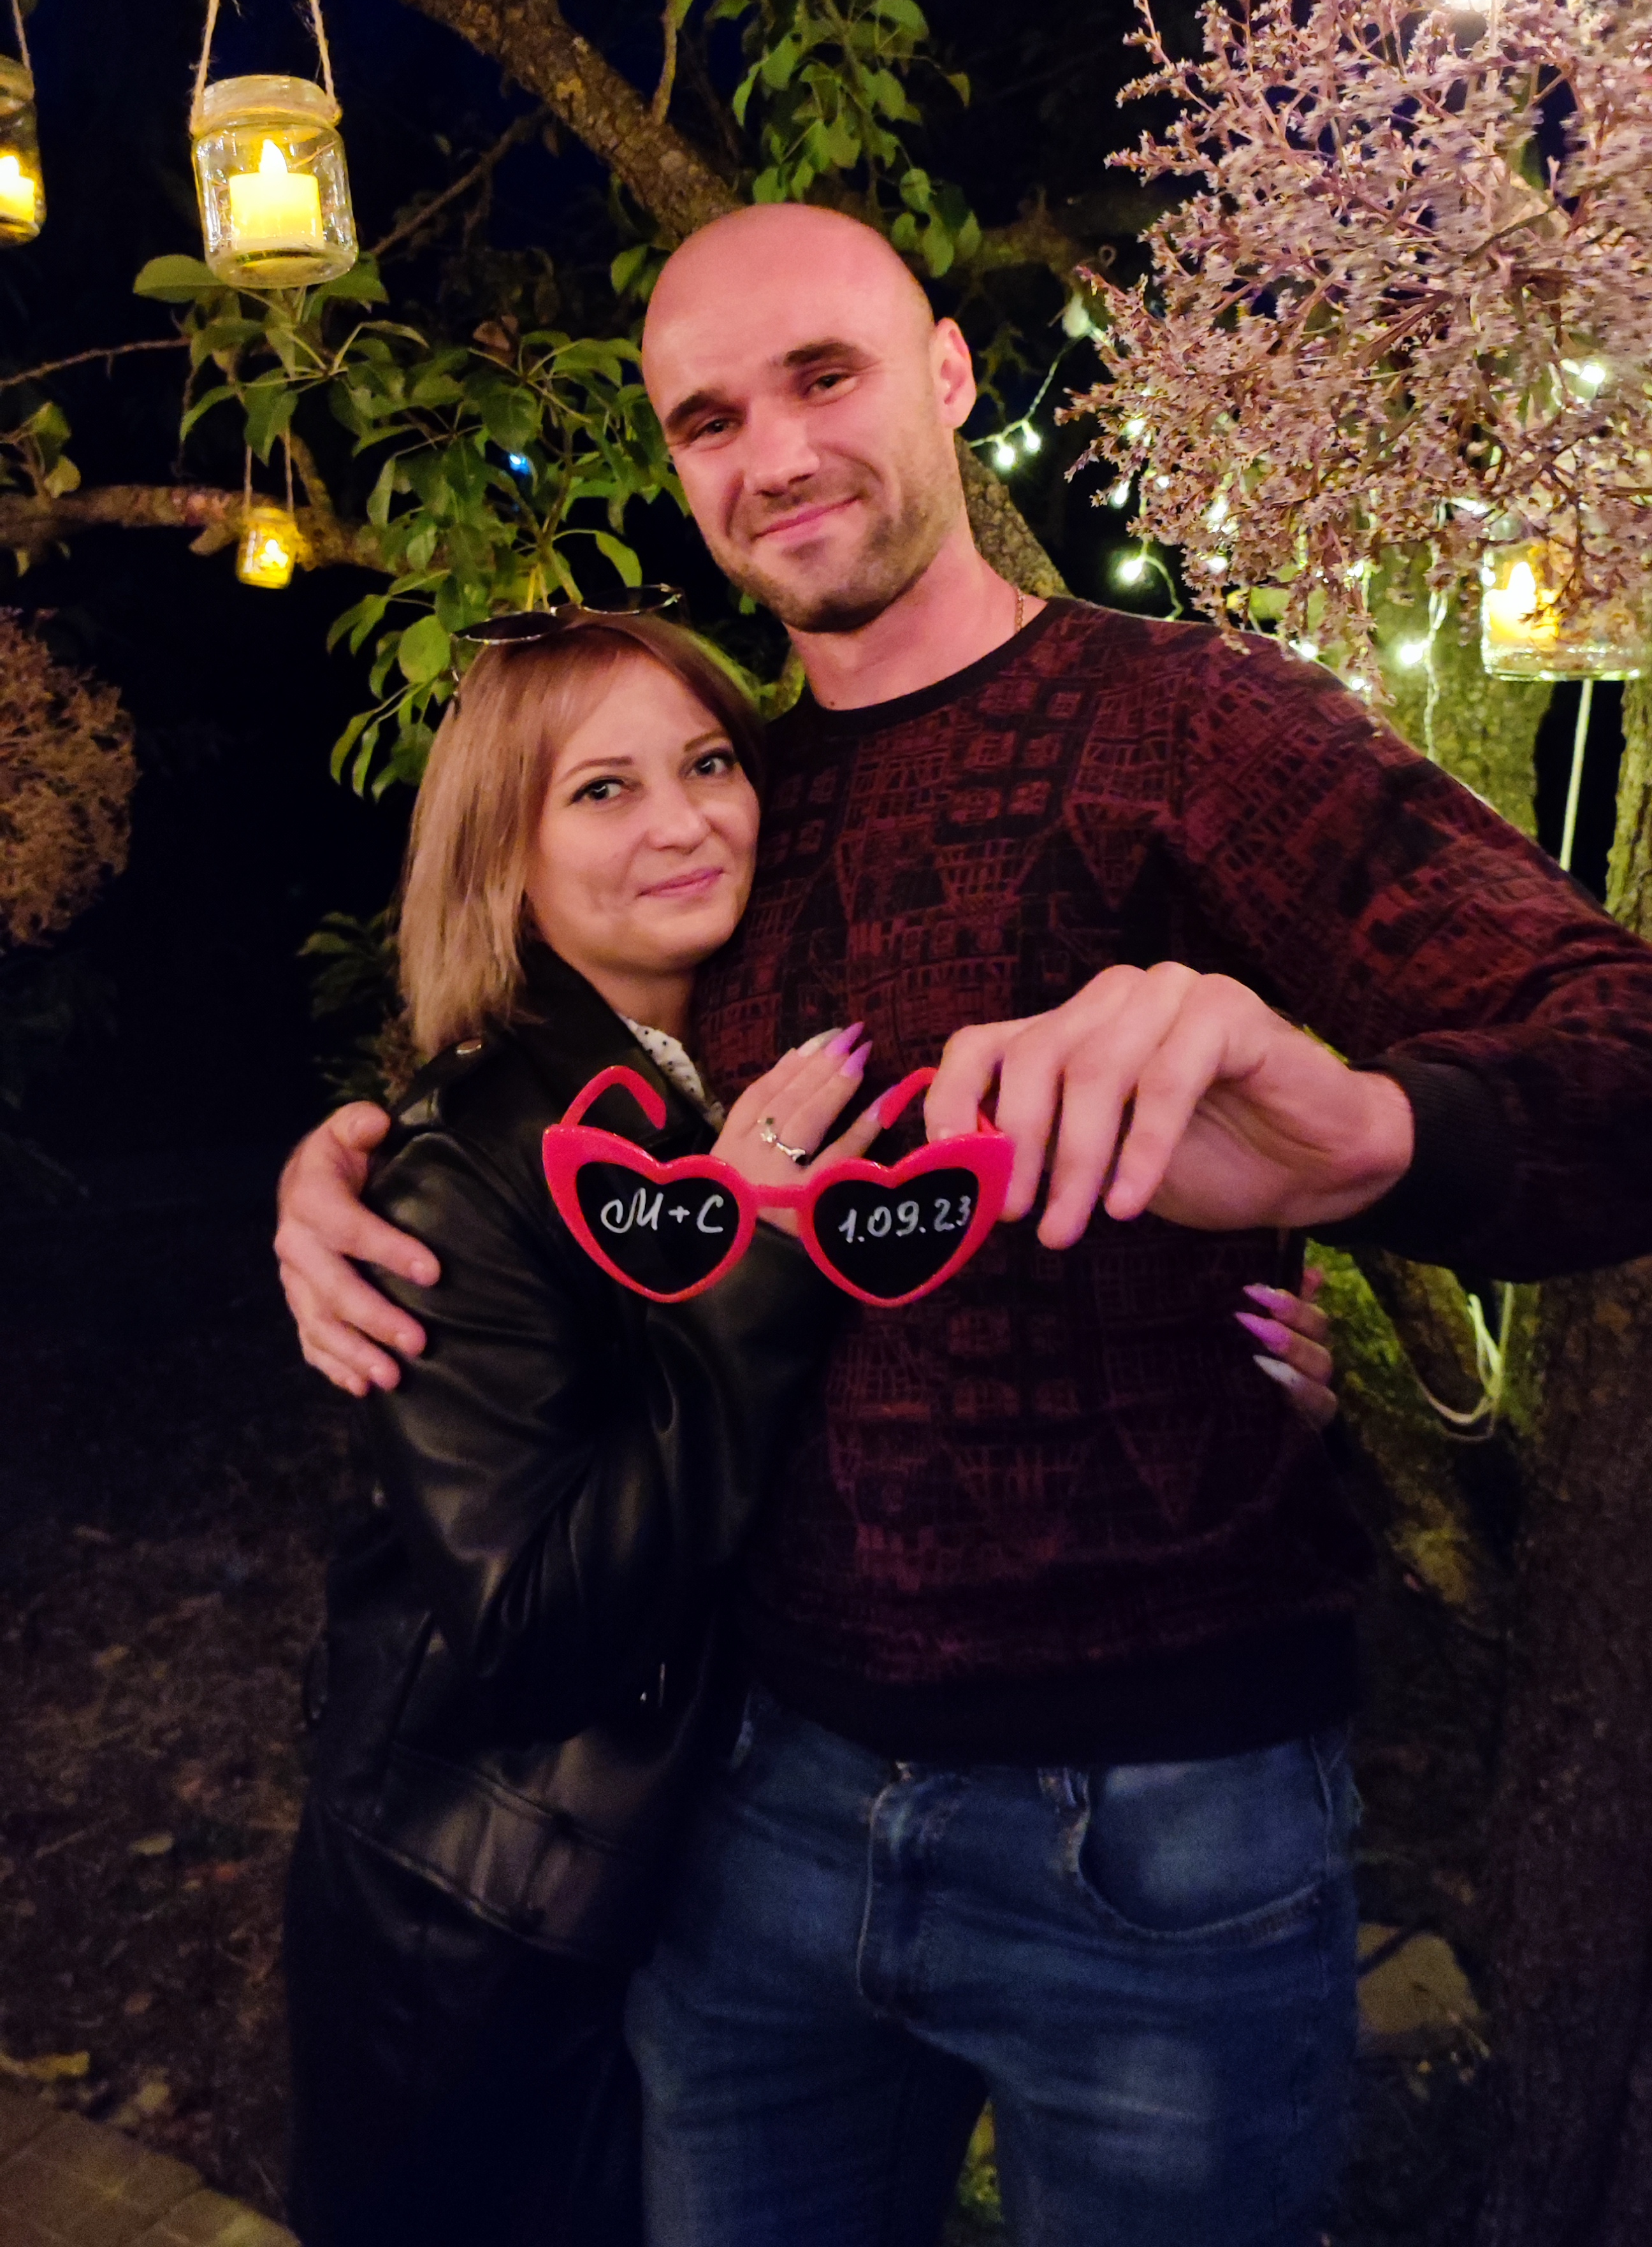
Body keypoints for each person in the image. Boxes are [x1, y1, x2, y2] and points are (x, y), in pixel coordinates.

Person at [275, 202, 1652, 2247]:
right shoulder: (739, 803)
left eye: (824, 376)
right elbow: (572, 1078)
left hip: (1157, 1835)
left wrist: (1370, 1138)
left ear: (947, 374)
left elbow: (1616, 1047)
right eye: (709, 420)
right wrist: (353, 1156)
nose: (774, 454)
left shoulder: (1194, 723)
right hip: (749, 1816)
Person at [283, 602, 894, 2247]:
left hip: (684, 1883)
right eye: (602, 790)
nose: (683, 821)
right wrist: (755, 1259)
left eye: (708, 764)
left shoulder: (710, 1074)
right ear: (506, 859)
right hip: (494, 1932)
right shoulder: (466, 1166)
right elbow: (538, 1629)